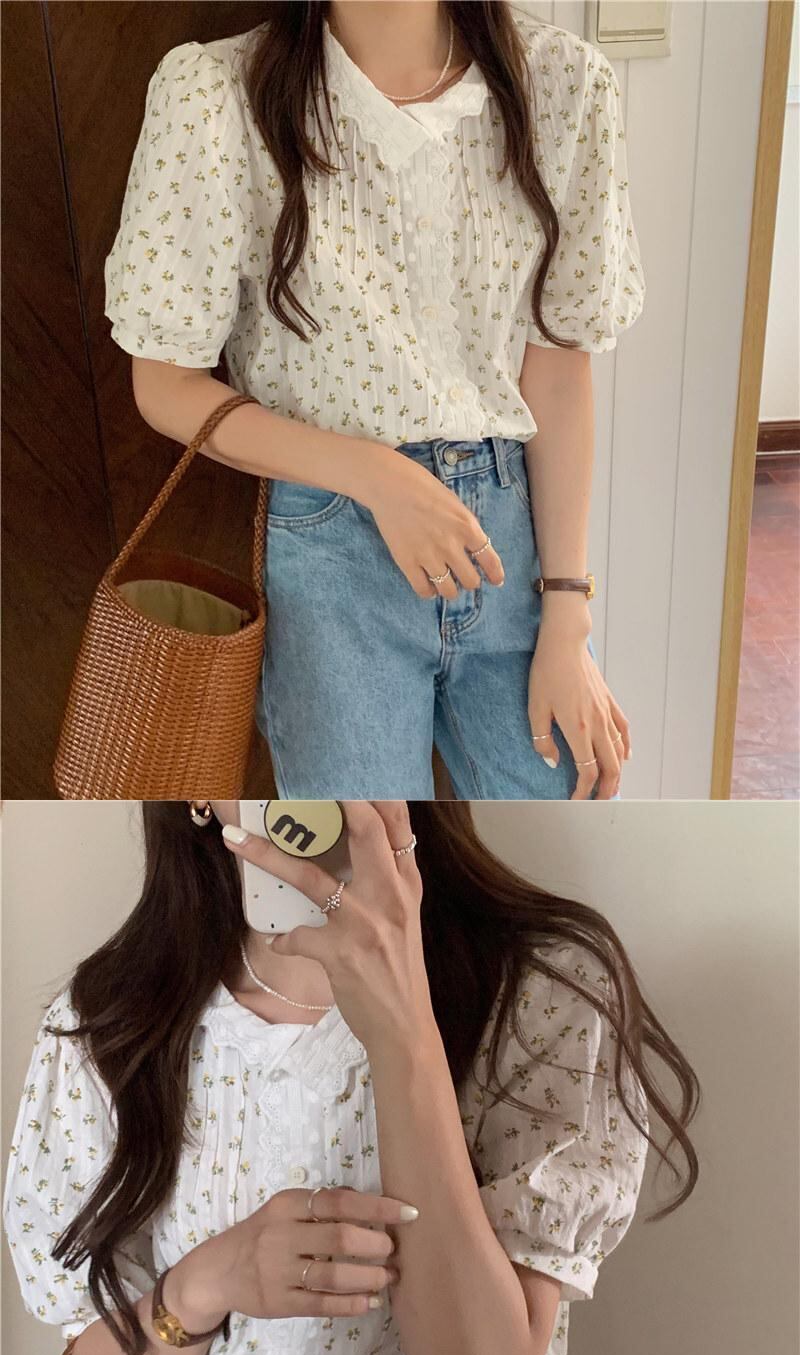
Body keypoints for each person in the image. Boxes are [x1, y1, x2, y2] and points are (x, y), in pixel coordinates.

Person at [3, 800, 698, 1355]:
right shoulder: (113, 1016)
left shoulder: (540, 988)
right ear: (196, 791)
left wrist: (403, 1031)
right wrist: (208, 1282)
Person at [103, 2, 646, 802]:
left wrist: (568, 612)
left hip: (512, 544)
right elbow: (164, 383)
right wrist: (375, 476)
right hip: (329, 556)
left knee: (566, 826)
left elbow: (560, 363)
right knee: (361, 854)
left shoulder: (564, 84)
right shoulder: (214, 94)